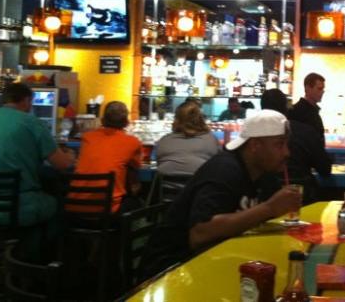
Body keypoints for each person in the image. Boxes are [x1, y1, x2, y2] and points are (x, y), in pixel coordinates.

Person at [139, 110, 301, 280]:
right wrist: (269, 208)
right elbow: (200, 233)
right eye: (279, 144)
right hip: (171, 271)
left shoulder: (263, 174)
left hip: (212, 263)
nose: (287, 153)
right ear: (255, 145)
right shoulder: (225, 170)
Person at [0, 83, 74, 227]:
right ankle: (37, 241)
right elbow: (62, 164)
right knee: (58, 202)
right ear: (26, 100)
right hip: (21, 207)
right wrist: (70, 155)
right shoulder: (33, 123)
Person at [68, 101, 142, 214]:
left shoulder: (87, 138)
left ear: (102, 120)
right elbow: (135, 167)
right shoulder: (133, 142)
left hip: (74, 206)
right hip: (107, 210)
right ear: (126, 122)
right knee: (138, 202)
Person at [261, 89, 331, 203]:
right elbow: (325, 169)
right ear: (287, 108)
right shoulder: (306, 132)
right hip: (302, 198)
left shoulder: (255, 137)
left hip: (263, 198)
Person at [155, 101, 220, 177]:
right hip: (201, 184)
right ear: (201, 119)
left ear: (176, 119)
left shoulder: (164, 141)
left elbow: (159, 164)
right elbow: (217, 164)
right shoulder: (211, 140)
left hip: (167, 184)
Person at [288, 72, 326, 142]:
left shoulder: (313, 111)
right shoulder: (297, 112)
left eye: (323, 89)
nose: (322, 92)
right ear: (308, 88)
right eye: (319, 88)